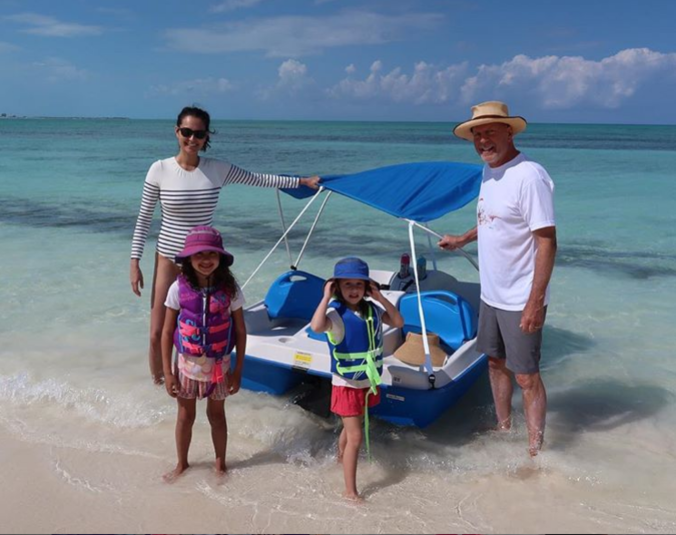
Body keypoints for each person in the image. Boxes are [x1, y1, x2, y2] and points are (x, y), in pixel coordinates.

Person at [130, 105, 320, 384]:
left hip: (202, 262)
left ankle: (190, 383)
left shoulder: (217, 170)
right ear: (177, 132)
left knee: (194, 330)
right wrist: (135, 262)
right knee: (157, 332)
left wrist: (301, 181)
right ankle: (159, 386)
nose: (192, 139)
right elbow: (144, 218)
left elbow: (259, 179)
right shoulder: (159, 169)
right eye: (187, 132)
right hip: (168, 257)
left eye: (199, 134)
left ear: (207, 136)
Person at [438, 101, 557, 457]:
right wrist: (463, 238)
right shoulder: (489, 172)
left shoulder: (530, 176)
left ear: (509, 131)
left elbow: (547, 240)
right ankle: (503, 427)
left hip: (521, 296)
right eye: (477, 134)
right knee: (493, 362)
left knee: (526, 376)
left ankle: (535, 451)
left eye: (490, 131)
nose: (483, 141)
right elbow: (494, 219)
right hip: (491, 294)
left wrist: (534, 302)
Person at [310, 257, 403, 500]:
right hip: (346, 384)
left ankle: (340, 459)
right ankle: (350, 492)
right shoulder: (335, 314)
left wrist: (380, 297)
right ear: (337, 287)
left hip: (367, 381)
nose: (354, 290)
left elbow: (398, 321)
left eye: (359, 285)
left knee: (354, 426)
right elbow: (316, 327)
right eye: (347, 284)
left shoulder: (373, 310)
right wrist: (325, 297)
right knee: (356, 436)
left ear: (367, 287)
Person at [161, 225, 246, 482]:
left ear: (220, 258)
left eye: (212, 254)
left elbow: (241, 331)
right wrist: (168, 373)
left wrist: (238, 371)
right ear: (188, 258)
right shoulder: (177, 288)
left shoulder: (230, 289)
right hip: (186, 365)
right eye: (199, 254)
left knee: (217, 416)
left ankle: (220, 464)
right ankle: (182, 464)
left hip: (219, 366)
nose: (206, 260)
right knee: (185, 416)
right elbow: (167, 332)